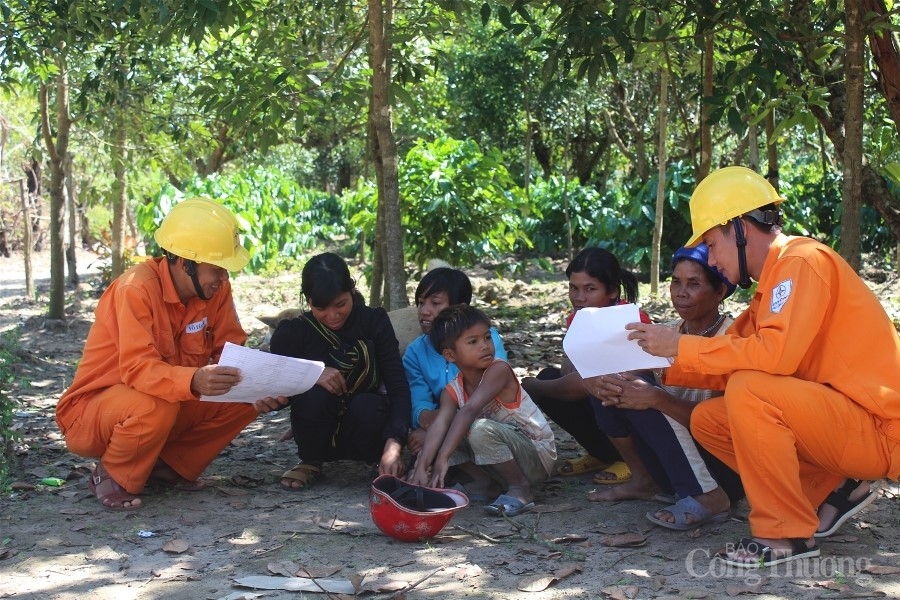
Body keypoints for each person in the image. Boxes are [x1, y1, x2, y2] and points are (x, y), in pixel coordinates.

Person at [628, 166, 900, 567]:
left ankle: (786, 536)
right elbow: (734, 351)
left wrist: (681, 345)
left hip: (879, 428)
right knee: (709, 419)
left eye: (711, 243)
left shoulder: (802, 261)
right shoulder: (772, 284)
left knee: (750, 390)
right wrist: (658, 361)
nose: (712, 259)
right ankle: (830, 490)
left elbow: (773, 356)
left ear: (738, 228)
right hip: (843, 423)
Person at [56, 197, 288, 512]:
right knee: (156, 404)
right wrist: (194, 380)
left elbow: (230, 352)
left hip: (167, 404)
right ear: (183, 262)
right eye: (217, 268)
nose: (224, 278)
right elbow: (139, 370)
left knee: (243, 393)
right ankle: (112, 475)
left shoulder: (215, 290)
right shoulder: (135, 290)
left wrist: (258, 383)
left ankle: (169, 466)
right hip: (92, 415)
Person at [582, 244, 744, 529]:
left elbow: (726, 424)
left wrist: (657, 400)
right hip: (675, 458)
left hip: (723, 466)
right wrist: (601, 380)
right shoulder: (663, 332)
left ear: (719, 292)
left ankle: (711, 497)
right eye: (676, 282)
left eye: (694, 284)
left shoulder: (731, 340)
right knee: (615, 385)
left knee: (645, 394)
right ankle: (646, 479)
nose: (681, 292)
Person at [269, 252, 411, 490]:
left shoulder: (374, 321)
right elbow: (278, 389)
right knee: (313, 392)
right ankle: (311, 461)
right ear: (307, 299)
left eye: (340, 304)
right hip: (315, 426)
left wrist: (395, 443)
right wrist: (311, 374)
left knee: (368, 404)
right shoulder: (293, 333)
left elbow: (397, 385)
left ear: (352, 290)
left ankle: (380, 460)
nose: (332, 316)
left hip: (366, 426)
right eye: (320, 307)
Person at [408, 305, 556, 516]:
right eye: (473, 341)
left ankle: (520, 487)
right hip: (500, 455)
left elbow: (469, 410)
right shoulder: (452, 390)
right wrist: (422, 466)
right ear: (450, 355)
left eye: (487, 338)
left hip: (536, 457)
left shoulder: (499, 370)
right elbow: (439, 425)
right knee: (441, 431)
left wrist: (442, 458)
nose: (485, 346)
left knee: (477, 428)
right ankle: (485, 483)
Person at [522, 247, 648, 483]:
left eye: (590, 289)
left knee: (596, 388)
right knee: (550, 375)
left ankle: (631, 460)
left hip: (632, 411)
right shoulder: (578, 317)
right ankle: (601, 454)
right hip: (597, 395)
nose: (579, 297)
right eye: (573, 288)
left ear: (612, 291)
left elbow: (589, 381)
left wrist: (533, 388)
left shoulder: (631, 321)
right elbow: (575, 364)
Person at [403, 267, 507, 457]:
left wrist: (440, 426)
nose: (424, 311)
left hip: (488, 423)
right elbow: (418, 399)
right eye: (420, 303)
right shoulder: (415, 352)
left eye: (435, 303)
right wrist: (425, 418)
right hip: (446, 420)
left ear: (460, 308)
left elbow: (490, 397)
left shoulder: (487, 341)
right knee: (420, 438)